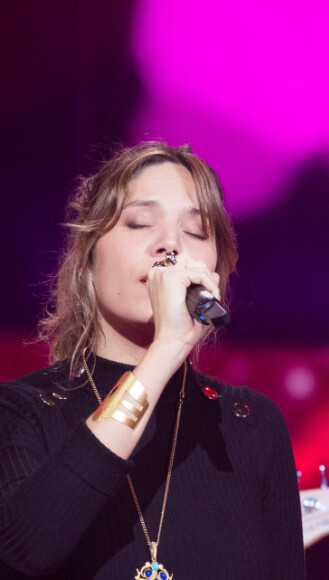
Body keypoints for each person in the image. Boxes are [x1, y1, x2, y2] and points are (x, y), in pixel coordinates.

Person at [0, 141, 306, 579]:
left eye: (196, 232)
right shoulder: (22, 411)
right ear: (88, 261)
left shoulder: (250, 424)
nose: (170, 245)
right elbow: (23, 551)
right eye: (140, 223)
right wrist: (164, 353)